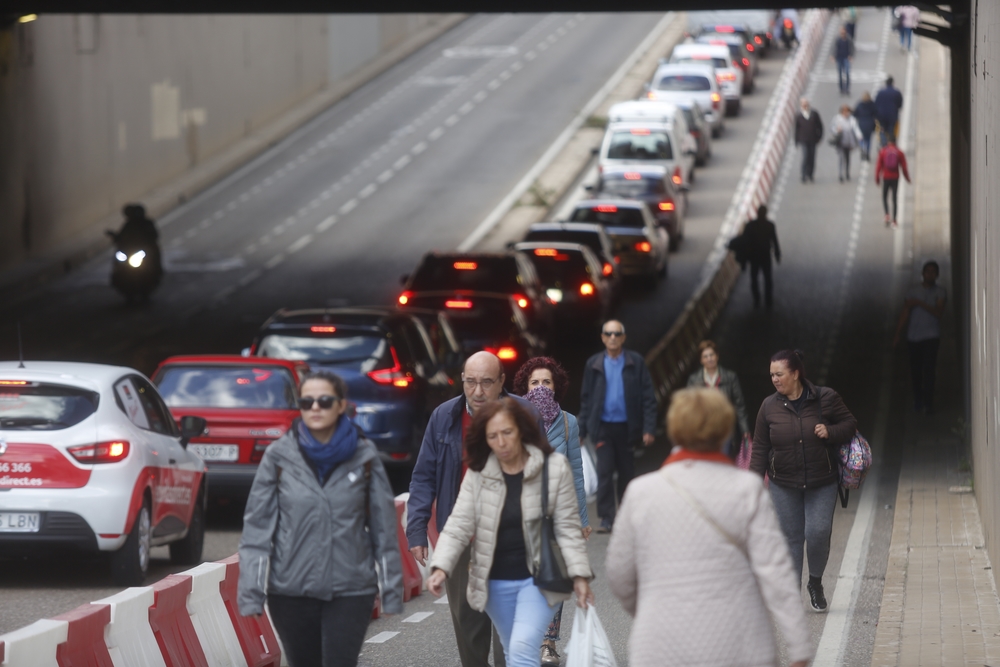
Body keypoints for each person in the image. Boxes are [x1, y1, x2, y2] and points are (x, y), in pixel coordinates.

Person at [606, 388, 813, 667]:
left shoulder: (640, 492)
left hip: (659, 647)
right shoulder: (746, 490)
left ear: (674, 429)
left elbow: (619, 575)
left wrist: (650, 609)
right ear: (724, 430)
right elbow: (776, 573)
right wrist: (799, 648)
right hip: (739, 646)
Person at [238, 371, 403, 667]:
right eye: (307, 401)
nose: (315, 408)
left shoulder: (364, 457)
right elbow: (257, 531)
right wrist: (251, 591)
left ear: (341, 405)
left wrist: (391, 590)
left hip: (351, 590)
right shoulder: (278, 457)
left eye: (324, 401)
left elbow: (384, 529)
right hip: (289, 592)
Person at [426, 399, 595, 667]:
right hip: (495, 583)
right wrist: (440, 567)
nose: (501, 442)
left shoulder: (553, 468)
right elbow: (459, 523)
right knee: (513, 651)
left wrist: (580, 576)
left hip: (539, 580)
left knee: (521, 647)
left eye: (507, 433)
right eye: (492, 436)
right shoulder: (479, 474)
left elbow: (567, 528)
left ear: (522, 430)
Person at [407, 351, 542, 667]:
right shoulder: (444, 417)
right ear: (462, 381)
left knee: (510, 634)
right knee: (469, 628)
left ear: (501, 383)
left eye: (485, 382)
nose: (478, 391)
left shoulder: (525, 415)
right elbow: (424, 475)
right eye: (470, 382)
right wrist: (416, 529)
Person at [749, 350, 858, 613]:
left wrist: (830, 432)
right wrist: (751, 486)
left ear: (795, 373)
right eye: (772, 375)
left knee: (818, 532)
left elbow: (850, 424)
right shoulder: (769, 406)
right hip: (783, 483)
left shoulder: (825, 398)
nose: (774, 379)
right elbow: (760, 448)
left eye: (779, 374)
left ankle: (816, 582)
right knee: (792, 538)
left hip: (822, 481)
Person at [513, 357, 591, 666]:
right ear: (524, 387)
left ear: (556, 386)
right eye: (535, 383)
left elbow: (577, 473)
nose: (541, 388)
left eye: (546, 382)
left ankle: (548, 642)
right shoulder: (514, 420)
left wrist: (583, 520)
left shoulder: (570, 423)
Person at [578, 320, 657, 534]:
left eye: (617, 334)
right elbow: (586, 400)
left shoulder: (635, 362)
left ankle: (624, 517)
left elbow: (648, 397)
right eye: (608, 333)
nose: (612, 337)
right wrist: (581, 431)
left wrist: (648, 428)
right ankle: (606, 518)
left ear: (623, 337)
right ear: (603, 337)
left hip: (627, 428)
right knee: (604, 471)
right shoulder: (594, 363)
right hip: (602, 427)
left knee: (626, 473)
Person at [893, 261, 947, 414]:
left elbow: (938, 312)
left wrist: (918, 303)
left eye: (932, 272)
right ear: (922, 274)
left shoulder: (940, 292)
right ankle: (918, 400)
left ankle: (928, 404)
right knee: (916, 372)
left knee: (929, 370)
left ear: (937, 275)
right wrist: (897, 334)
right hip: (914, 337)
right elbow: (905, 313)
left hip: (931, 336)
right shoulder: (912, 291)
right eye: (927, 271)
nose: (929, 274)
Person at [686, 340, 751, 457]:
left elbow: (739, 405)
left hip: (723, 429)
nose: (709, 359)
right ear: (701, 360)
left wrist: (745, 430)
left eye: (711, 355)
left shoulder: (730, 377)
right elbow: (689, 408)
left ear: (717, 356)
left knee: (721, 459)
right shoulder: (694, 380)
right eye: (705, 356)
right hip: (702, 430)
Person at [741, 205, 781, 309]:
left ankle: (757, 300)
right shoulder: (770, 225)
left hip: (754, 257)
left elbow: (744, 243)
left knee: (754, 279)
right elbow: (774, 241)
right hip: (765, 256)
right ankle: (768, 300)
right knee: (767, 279)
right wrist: (777, 254)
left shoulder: (750, 226)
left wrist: (743, 261)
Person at [875, 136, 911, 227]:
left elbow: (878, 166)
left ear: (888, 142)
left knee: (884, 196)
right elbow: (904, 168)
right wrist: (908, 179)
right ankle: (894, 220)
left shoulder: (883, 151)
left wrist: (877, 179)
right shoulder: (899, 152)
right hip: (895, 178)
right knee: (894, 199)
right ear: (895, 142)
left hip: (886, 177)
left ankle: (887, 214)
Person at [830, 104, 863, 182]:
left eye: (847, 112)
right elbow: (832, 128)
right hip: (840, 142)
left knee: (848, 158)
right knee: (841, 158)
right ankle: (840, 174)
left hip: (848, 142)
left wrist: (859, 136)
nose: (846, 113)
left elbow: (856, 128)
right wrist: (836, 130)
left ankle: (847, 173)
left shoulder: (852, 119)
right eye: (845, 112)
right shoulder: (837, 119)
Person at [794, 98, 823, 183]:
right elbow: (796, 129)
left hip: (813, 140)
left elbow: (820, 126)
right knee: (805, 156)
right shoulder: (799, 116)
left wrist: (819, 137)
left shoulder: (814, 114)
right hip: (803, 140)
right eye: (803, 105)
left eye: (806, 104)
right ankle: (803, 174)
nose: (805, 106)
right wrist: (796, 140)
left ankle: (810, 174)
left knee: (812, 157)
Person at [874, 76, 904, 146]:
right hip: (892, 116)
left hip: (882, 116)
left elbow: (876, 104)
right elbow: (900, 105)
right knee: (891, 131)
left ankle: (883, 144)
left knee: (882, 130)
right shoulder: (896, 92)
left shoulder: (880, 92)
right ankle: (891, 144)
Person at [854, 91, 878, 161]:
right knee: (868, 139)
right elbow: (876, 113)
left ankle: (862, 148)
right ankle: (867, 152)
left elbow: (855, 114)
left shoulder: (859, 104)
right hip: (870, 124)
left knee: (861, 138)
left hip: (861, 124)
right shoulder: (872, 104)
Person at [831, 26, 855, 96]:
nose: (842, 34)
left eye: (843, 33)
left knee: (847, 73)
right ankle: (841, 88)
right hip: (839, 58)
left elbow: (852, 48)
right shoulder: (837, 39)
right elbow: (834, 48)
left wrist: (851, 55)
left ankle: (847, 89)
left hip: (846, 58)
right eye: (841, 33)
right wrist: (833, 56)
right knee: (840, 75)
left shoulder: (848, 39)